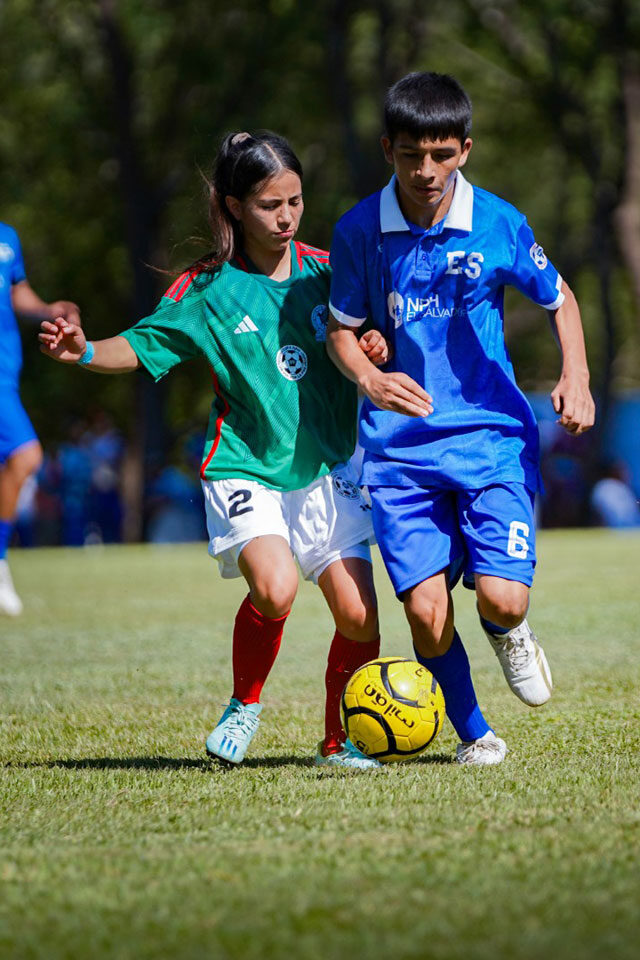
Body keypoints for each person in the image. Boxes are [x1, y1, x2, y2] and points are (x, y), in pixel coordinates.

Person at [40, 131, 389, 769]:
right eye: (268, 205)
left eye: (295, 201)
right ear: (233, 207)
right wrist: (83, 351)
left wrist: (372, 349)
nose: (286, 217)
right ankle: (245, 704)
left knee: (360, 614)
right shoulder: (205, 291)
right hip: (245, 467)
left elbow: (363, 337)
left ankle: (340, 741)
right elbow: (140, 346)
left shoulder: (328, 275)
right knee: (276, 588)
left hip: (326, 471)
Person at [327, 72, 595, 765]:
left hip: (490, 437)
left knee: (503, 600)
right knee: (423, 611)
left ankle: (511, 630)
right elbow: (340, 329)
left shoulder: (498, 221)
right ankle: (476, 735)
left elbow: (559, 297)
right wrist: (368, 374)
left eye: (442, 155)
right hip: (399, 452)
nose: (426, 171)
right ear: (388, 148)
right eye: (411, 154)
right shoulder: (359, 230)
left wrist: (577, 374)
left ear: (465, 150)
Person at [0, 222, 80, 615]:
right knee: (27, 454)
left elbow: (17, 290)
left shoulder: (7, 236)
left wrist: (49, 310)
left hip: (6, 372)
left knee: (22, 459)